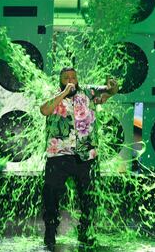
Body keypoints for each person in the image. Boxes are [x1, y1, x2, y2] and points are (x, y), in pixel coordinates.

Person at [40, 67, 119, 250]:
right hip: (59, 155)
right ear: (60, 80)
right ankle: (50, 232)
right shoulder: (53, 95)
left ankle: (86, 232)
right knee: (51, 195)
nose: (70, 80)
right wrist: (64, 93)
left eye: (73, 77)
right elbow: (44, 110)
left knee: (88, 197)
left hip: (86, 155)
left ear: (78, 79)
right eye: (66, 77)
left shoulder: (88, 93)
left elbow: (109, 91)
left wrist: (113, 87)